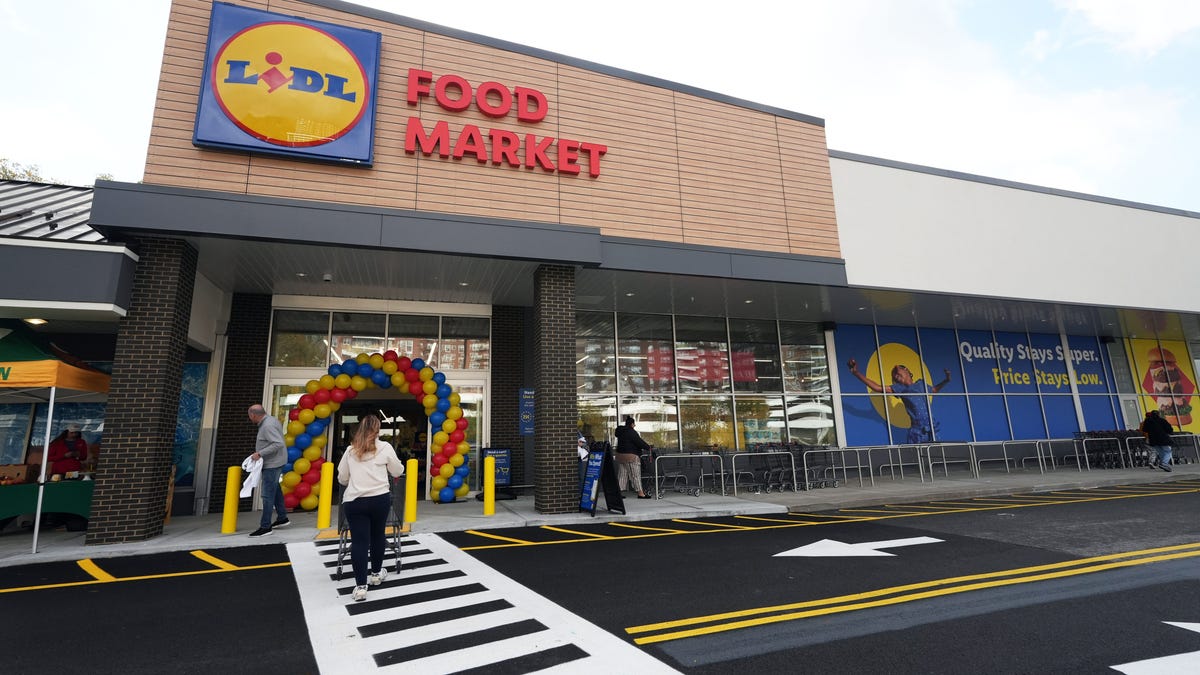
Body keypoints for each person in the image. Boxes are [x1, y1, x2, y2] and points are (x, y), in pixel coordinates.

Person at [337, 414, 405, 601]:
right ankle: (376, 574)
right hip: (379, 499)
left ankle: (360, 587)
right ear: (377, 430)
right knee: (377, 535)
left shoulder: (350, 450)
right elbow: (397, 471)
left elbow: (342, 477)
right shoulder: (385, 448)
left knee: (359, 541)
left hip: (354, 501)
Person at [847, 358, 952, 443]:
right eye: (894, 377)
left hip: (932, 429)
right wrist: (856, 372)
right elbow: (877, 387)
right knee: (919, 458)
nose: (895, 376)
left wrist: (946, 380)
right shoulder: (900, 388)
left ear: (906, 370)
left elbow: (933, 390)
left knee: (936, 456)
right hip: (918, 432)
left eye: (896, 373)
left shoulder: (921, 384)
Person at [247, 404, 289, 537]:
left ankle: (265, 526)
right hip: (276, 461)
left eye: (249, 416)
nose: (250, 419)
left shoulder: (267, 426)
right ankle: (282, 517)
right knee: (275, 490)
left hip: (272, 463)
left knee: (267, 494)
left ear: (253, 415)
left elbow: (278, 443)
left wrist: (260, 453)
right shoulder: (272, 420)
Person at [614, 416, 651, 499]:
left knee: (622, 475)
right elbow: (639, 442)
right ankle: (640, 493)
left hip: (620, 456)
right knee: (635, 475)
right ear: (631, 424)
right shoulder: (631, 432)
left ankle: (618, 493)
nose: (635, 425)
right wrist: (649, 447)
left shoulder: (621, 432)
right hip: (631, 457)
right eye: (634, 424)